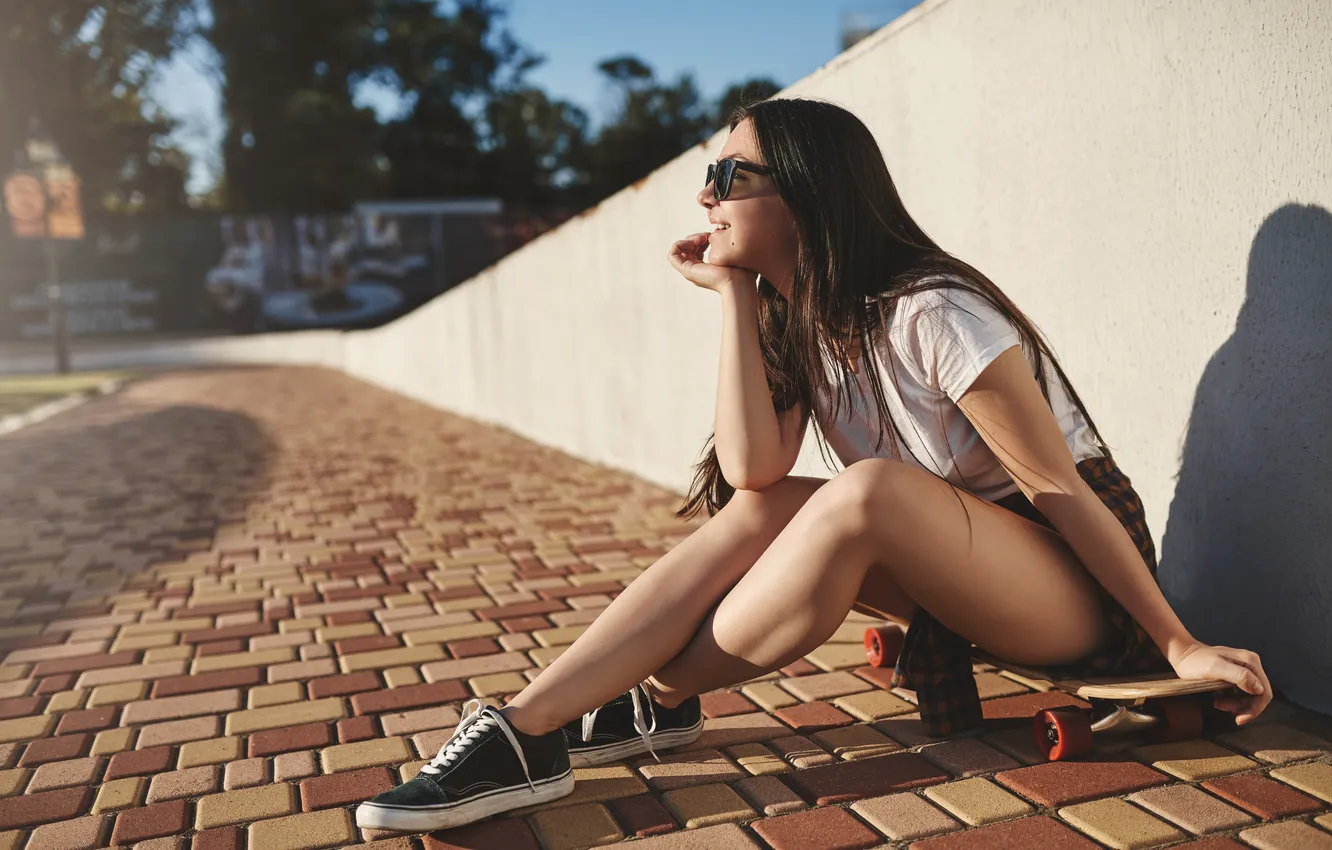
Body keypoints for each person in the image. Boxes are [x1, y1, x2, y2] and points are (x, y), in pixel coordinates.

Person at [355, 97, 1272, 833]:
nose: (705, 198)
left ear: (803, 193)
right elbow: (753, 475)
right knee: (773, 507)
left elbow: (1057, 488)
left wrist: (1176, 642)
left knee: (861, 491)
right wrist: (736, 295)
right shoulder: (806, 323)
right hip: (965, 566)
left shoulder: (932, 310)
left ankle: (645, 698)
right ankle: (533, 726)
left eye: (727, 176)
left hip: (1071, 585)